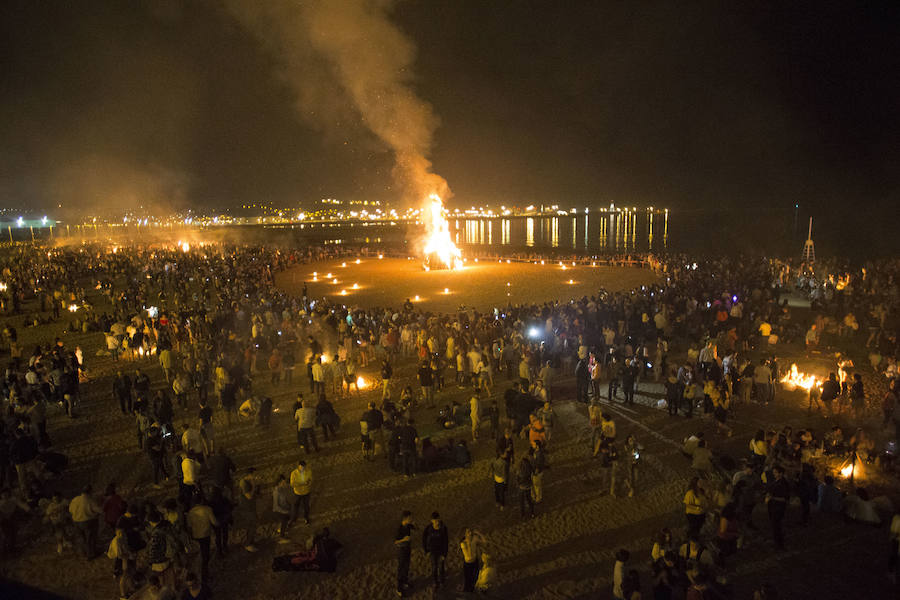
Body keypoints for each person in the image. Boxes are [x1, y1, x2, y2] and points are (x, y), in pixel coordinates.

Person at [186, 491, 218, 583]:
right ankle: (204, 576)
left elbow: (189, 527)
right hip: (205, 536)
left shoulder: (190, 513)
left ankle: (197, 576)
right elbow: (215, 522)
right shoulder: (207, 509)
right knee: (205, 557)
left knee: (198, 559)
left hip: (195, 537)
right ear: (202, 500)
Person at [69, 484, 101, 559]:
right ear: (90, 491)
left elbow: (70, 510)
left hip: (76, 522)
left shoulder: (75, 499)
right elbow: (98, 510)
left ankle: (83, 553)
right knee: (90, 538)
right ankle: (90, 554)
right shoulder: (90, 500)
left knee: (81, 538)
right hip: (88, 522)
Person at [422, 511, 449, 588]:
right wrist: (426, 551)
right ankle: (435, 581)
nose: (436, 522)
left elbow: (446, 542)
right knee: (434, 567)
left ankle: (442, 581)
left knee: (441, 567)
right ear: (431, 521)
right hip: (432, 551)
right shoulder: (428, 528)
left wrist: (444, 554)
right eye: (434, 520)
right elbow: (423, 539)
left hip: (441, 551)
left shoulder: (443, 528)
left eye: (437, 520)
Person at [765, 465, 789, 548]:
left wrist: (772, 498)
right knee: (774, 525)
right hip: (773, 506)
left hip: (778, 508)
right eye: (773, 472)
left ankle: (779, 544)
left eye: (775, 472)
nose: (773, 474)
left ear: (781, 473)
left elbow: (785, 499)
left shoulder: (783, 483)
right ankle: (776, 540)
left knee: (777, 525)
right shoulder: (776, 480)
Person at [394, 510, 415, 597]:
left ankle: (405, 582)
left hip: (407, 548)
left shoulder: (408, 525)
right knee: (401, 568)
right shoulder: (400, 529)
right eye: (410, 518)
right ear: (405, 519)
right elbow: (395, 542)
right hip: (402, 550)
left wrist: (415, 524)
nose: (411, 519)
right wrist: (404, 539)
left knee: (406, 566)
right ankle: (399, 588)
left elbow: (416, 529)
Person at [460, 528, 486, 593]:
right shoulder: (463, 543)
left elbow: (484, 542)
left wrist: (479, 533)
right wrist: (469, 544)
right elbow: (469, 555)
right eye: (468, 532)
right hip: (468, 564)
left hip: (475, 561)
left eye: (471, 532)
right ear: (465, 534)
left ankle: (472, 590)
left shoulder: (474, 538)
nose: (470, 534)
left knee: (475, 578)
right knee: (468, 580)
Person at [290, 459, 312, 526]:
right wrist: (302, 484)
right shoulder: (293, 473)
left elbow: (311, 480)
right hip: (297, 493)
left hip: (306, 492)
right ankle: (294, 518)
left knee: (306, 506)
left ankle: (306, 518)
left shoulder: (308, 472)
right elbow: (292, 484)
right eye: (301, 467)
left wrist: (308, 483)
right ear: (298, 466)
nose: (303, 468)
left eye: (304, 467)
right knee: (295, 506)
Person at [272, 474, 293, 542]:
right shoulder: (276, 492)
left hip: (283, 508)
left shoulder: (282, 489)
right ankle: (281, 537)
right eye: (283, 482)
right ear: (279, 482)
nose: (284, 484)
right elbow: (276, 506)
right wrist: (285, 511)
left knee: (289, 516)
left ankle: (280, 528)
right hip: (277, 511)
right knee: (284, 519)